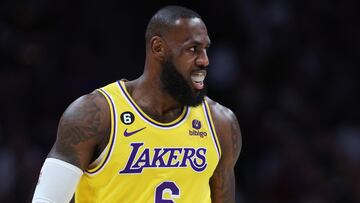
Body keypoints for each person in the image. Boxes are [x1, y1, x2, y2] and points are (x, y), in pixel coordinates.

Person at [32, 5, 242, 203]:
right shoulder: (95, 115)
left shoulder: (220, 123)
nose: (204, 60)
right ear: (158, 48)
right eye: (193, 49)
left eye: (205, 49)